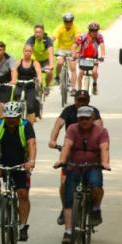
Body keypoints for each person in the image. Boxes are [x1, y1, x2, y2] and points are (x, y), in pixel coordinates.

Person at [0, 101, 37, 241]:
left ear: (19, 117)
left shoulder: (26, 125)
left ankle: (23, 226)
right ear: (4, 116)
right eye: (8, 118)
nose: (11, 121)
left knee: (22, 194)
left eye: (14, 118)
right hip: (2, 161)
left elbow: (31, 143)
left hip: (21, 163)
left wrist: (31, 161)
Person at [53, 107, 110, 244]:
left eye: (87, 118)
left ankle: (96, 209)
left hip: (93, 166)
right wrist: (61, 160)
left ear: (92, 119)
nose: (84, 121)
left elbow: (104, 148)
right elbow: (67, 145)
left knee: (96, 185)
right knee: (68, 196)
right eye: (81, 118)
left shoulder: (101, 131)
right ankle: (68, 231)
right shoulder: (72, 129)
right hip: (74, 166)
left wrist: (104, 162)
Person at [47, 89, 104, 226]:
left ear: (88, 101)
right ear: (75, 100)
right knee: (64, 182)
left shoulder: (93, 112)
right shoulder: (68, 111)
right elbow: (58, 124)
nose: (81, 103)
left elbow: (99, 128)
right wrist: (53, 140)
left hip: (89, 152)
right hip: (71, 150)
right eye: (79, 100)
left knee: (95, 185)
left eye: (84, 101)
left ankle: (95, 209)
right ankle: (64, 208)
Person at [72, 21, 106, 95]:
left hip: (94, 58)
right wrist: (74, 54)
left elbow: (102, 45)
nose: (94, 32)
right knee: (80, 73)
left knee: (94, 72)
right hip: (83, 58)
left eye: (95, 30)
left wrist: (102, 55)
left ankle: (94, 83)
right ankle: (79, 90)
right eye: (92, 30)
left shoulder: (99, 37)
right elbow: (74, 46)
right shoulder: (83, 36)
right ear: (89, 30)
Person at [12, 44, 43, 123]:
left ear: (32, 52)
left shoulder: (35, 63)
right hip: (19, 85)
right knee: (15, 105)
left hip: (30, 86)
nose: (27, 53)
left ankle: (30, 127)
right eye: (26, 51)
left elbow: (39, 73)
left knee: (30, 107)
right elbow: (14, 70)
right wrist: (14, 80)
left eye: (29, 51)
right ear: (23, 51)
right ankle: (15, 122)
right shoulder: (18, 62)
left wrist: (39, 80)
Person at [52, 12, 80, 88]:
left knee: (73, 68)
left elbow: (78, 38)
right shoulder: (60, 28)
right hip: (61, 49)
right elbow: (54, 37)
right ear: (63, 21)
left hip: (72, 49)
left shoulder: (75, 28)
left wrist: (76, 51)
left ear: (72, 21)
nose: (68, 23)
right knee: (60, 62)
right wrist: (49, 44)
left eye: (70, 21)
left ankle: (73, 88)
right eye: (66, 22)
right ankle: (57, 77)